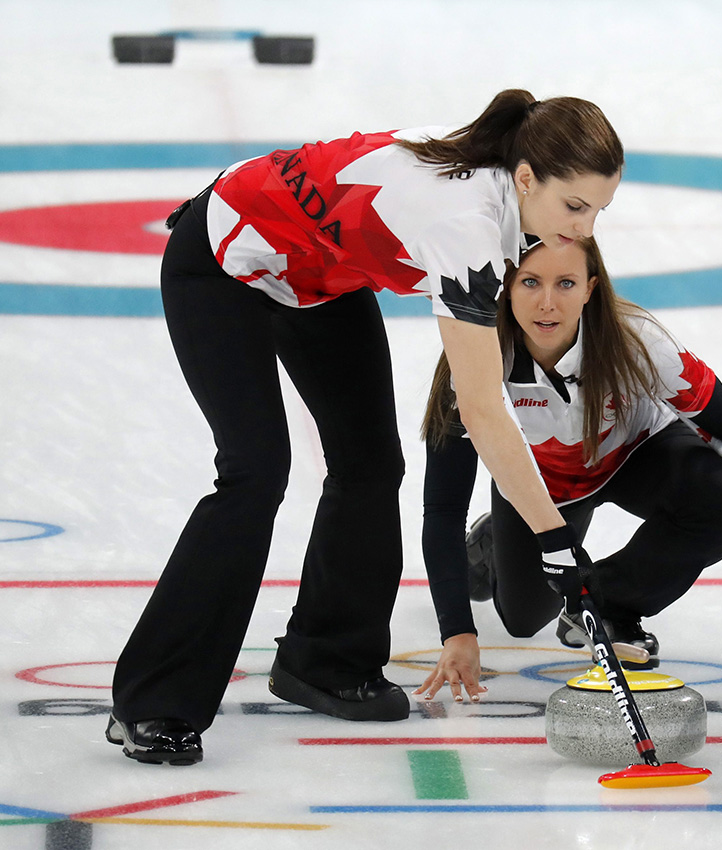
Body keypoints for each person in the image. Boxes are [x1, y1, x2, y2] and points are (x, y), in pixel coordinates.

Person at [106, 89, 624, 765]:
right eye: (575, 207)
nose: (585, 230)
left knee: (371, 462)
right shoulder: (467, 227)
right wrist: (555, 540)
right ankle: (150, 701)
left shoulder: (507, 181)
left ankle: (323, 660)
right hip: (222, 263)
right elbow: (481, 406)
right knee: (254, 473)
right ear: (526, 179)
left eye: (599, 210)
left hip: (315, 277)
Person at [415, 236, 722, 702]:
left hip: (638, 455)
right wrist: (457, 633)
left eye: (567, 283)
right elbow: (443, 507)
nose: (548, 303)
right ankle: (493, 547)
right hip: (540, 489)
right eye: (530, 282)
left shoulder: (638, 340)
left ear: (591, 288)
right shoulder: (473, 362)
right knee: (522, 619)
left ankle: (611, 603)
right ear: (506, 288)